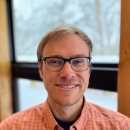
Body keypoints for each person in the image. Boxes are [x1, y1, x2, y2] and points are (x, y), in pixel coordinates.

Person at [0, 24, 130, 130]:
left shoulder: (121, 127)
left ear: (89, 68)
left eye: (78, 61)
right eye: (55, 61)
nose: (67, 74)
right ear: (40, 69)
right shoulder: (11, 127)